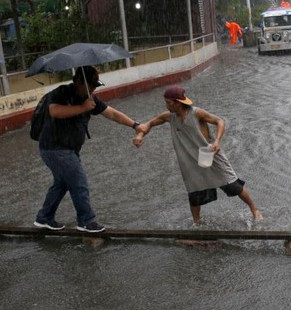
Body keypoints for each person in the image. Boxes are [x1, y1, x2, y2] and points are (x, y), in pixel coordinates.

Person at [34, 65, 144, 233]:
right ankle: (86, 221)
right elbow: (54, 111)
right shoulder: (61, 93)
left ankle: (44, 218)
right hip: (54, 148)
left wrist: (134, 125)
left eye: (95, 85)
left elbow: (111, 113)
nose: (93, 89)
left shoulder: (90, 98)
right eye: (91, 85)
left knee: (62, 183)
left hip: (68, 149)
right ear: (78, 81)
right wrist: (83, 108)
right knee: (79, 182)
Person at [133, 85, 263, 224]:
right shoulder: (169, 117)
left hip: (210, 154)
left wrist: (217, 141)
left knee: (232, 184)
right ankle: (197, 223)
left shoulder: (197, 113)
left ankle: (255, 210)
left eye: (169, 103)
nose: (166, 106)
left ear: (178, 102)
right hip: (190, 160)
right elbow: (148, 124)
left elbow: (220, 121)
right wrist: (140, 135)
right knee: (194, 190)